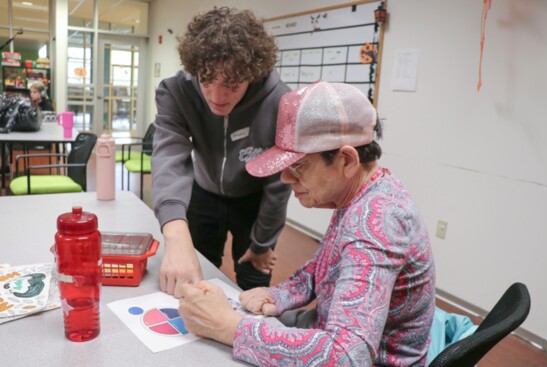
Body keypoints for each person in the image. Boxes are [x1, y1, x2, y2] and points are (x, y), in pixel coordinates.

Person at [178, 81, 436, 366]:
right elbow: (326, 266)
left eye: (299, 166)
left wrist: (227, 326)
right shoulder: (364, 192)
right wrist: (277, 293)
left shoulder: (376, 225)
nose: (286, 179)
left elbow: (348, 357)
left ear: (347, 160)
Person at [151, 7, 292, 292]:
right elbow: (169, 155)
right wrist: (175, 234)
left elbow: (279, 183)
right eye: (206, 80)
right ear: (194, 69)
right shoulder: (177, 92)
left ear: (251, 74)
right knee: (198, 269)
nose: (217, 97)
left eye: (231, 84)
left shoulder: (280, 101)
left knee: (253, 277)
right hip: (203, 193)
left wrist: (263, 242)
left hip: (254, 199)